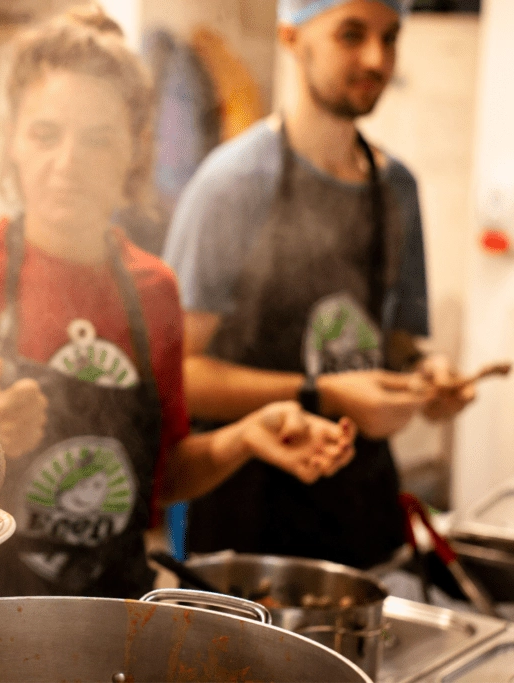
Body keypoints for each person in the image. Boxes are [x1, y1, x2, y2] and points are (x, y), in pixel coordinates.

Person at [0, 5, 355, 605]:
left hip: (112, 621)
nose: (67, 165)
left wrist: (244, 438)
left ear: (136, 148)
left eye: (98, 139)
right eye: (45, 134)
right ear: (12, 137)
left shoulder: (153, 291)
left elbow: (156, 476)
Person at [163, 0, 475, 571]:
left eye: (390, 37)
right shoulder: (232, 185)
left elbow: (399, 342)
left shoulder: (396, 187)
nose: (376, 59)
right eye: (351, 35)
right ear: (291, 35)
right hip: (250, 525)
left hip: (363, 516)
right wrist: (325, 394)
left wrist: (426, 376)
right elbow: (181, 373)